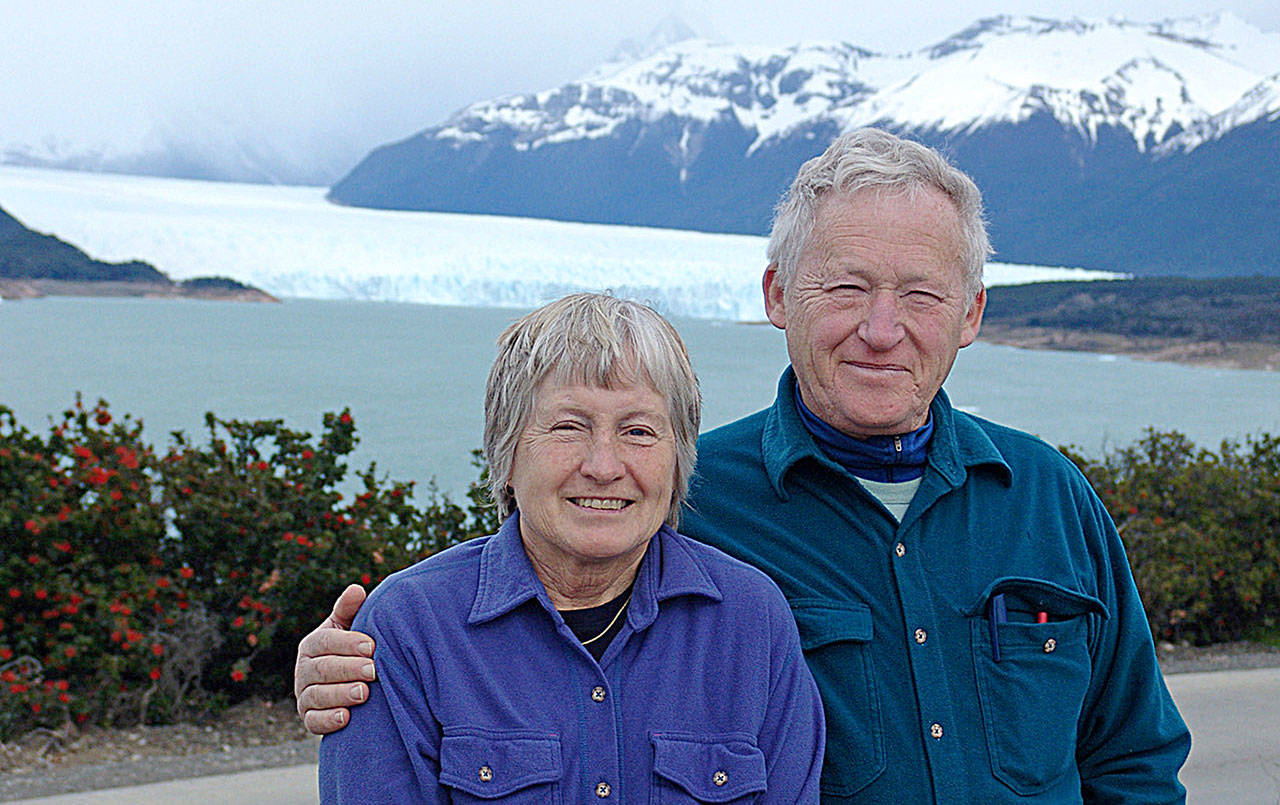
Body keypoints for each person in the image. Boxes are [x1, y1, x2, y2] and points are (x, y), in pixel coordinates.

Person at [299, 129, 1190, 802]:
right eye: (845, 287)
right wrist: (344, 661)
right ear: (776, 296)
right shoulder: (690, 496)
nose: (882, 329)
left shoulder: (1051, 499)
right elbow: (540, 578)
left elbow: (1133, 757)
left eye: (920, 293)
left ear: (971, 313)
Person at [317, 293, 824, 802]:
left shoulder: (751, 622)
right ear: (506, 454)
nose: (604, 466)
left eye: (639, 431)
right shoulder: (410, 629)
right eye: (567, 427)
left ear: (678, 463)